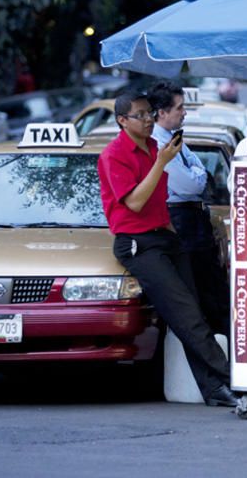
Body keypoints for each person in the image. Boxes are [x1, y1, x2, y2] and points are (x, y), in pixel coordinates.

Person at [97, 92, 239, 408]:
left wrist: (172, 233)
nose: (149, 120)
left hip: (166, 237)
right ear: (123, 120)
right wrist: (162, 162)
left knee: (192, 314)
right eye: (141, 115)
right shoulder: (114, 155)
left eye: (150, 114)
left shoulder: (152, 148)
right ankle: (231, 378)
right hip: (138, 243)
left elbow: (160, 201)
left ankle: (214, 388)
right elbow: (134, 202)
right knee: (185, 314)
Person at [149, 81, 229, 336]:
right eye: (179, 108)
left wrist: (195, 173)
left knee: (211, 285)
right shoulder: (158, 144)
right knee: (200, 286)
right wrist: (195, 174)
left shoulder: (175, 140)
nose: (184, 113)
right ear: (162, 112)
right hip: (181, 219)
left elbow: (199, 172)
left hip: (193, 218)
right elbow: (190, 185)